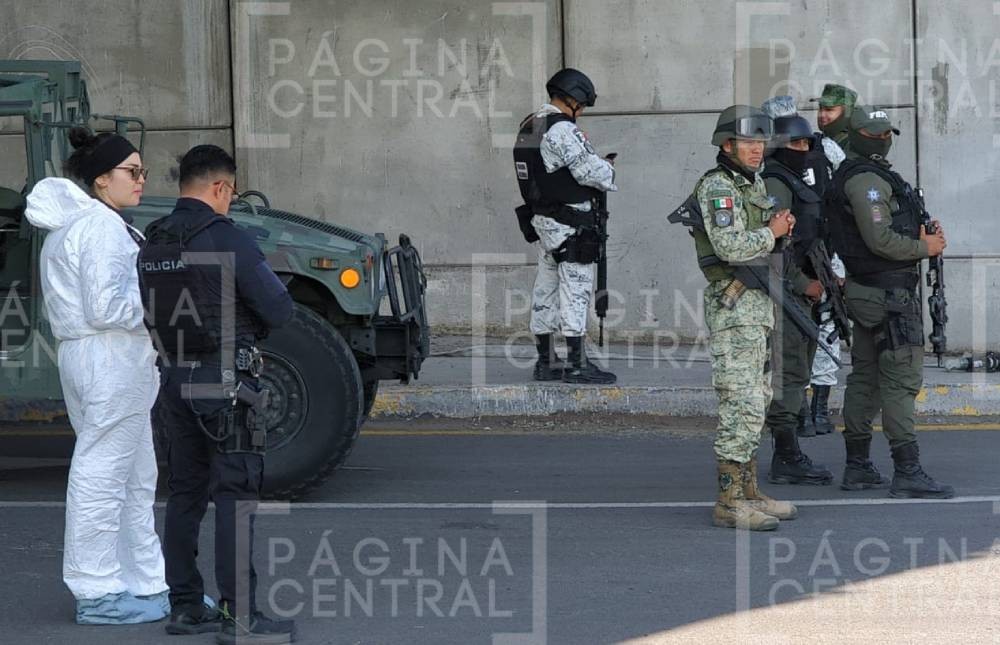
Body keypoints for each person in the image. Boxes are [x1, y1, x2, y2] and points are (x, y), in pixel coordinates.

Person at [139, 145, 296, 642]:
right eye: (230, 193)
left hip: (171, 381)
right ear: (221, 187)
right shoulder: (228, 238)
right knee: (234, 496)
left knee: (185, 494)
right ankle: (240, 615)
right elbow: (279, 310)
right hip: (225, 384)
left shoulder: (154, 240)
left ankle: (185, 606)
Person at [24, 127, 169, 624]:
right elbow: (109, 306)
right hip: (111, 357)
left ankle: (143, 584)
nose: (141, 180)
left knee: (129, 473)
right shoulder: (103, 228)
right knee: (108, 474)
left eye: (141, 171)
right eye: (132, 171)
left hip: (93, 357)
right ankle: (99, 591)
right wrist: (164, 306)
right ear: (102, 180)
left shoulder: (75, 227)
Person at [826, 107, 953, 498]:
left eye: (886, 133)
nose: (883, 139)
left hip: (870, 293)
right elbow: (879, 240)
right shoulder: (866, 181)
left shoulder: (870, 176)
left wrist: (921, 233)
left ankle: (859, 466)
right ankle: (907, 471)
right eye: (875, 133)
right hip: (887, 298)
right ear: (857, 135)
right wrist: (924, 246)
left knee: (866, 377)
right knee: (899, 381)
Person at [682, 106, 798, 530]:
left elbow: (760, 239)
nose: (755, 149)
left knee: (758, 400)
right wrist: (774, 232)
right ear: (727, 145)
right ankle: (729, 501)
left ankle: (749, 491)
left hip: (756, 306)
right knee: (740, 403)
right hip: (734, 308)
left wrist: (777, 227)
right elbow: (730, 246)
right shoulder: (718, 187)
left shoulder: (753, 183)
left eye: (759, 141)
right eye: (747, 142)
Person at [514, 68, 617, 384]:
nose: (582, 112)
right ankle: (576, 364)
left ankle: (546, 361)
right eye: (582, 105)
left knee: (545, 288)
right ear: (573, 99)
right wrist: (609, 168)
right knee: (576, 289)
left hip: (544, 223)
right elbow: (593, 173)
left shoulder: (530, 125)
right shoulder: (562, 131)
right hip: (571, 226)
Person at [758, 96, 834, 485]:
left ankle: (789, 453)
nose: (803, 151)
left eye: (806, 144)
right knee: (788, 374)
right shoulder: (775, 182)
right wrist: (807, 284)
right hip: (786, 293)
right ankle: (785, 456)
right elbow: (773, 252)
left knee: (798, 370)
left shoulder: (792, 180)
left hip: (803, 292)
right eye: (795, 144)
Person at [811, 83, 858, 149]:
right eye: (820, 108)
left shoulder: (856, 145)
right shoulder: (815, 141)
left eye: (829, 110)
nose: (821, 114)